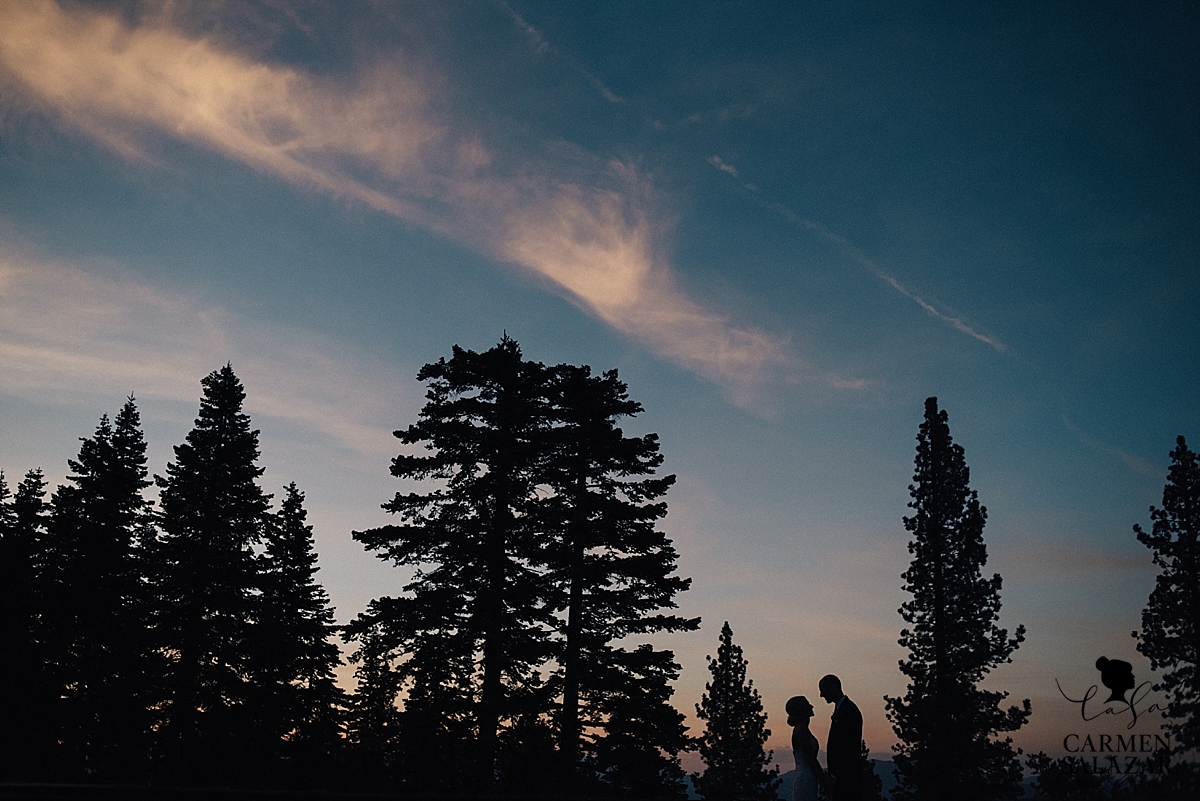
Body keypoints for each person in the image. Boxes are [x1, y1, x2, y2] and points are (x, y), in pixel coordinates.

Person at [819, 674, 864, 801]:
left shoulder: (849, 710)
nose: (821, 695)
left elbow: (848, 747)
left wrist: (836, 776)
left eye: (823, 689)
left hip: (847, 779)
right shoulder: (842, 709)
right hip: (842, 778)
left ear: (833, 687)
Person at [786, 695, 825, 801]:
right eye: (808, 704)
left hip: (807, 777)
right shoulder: (801, 730)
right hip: (805, 778)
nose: (811, 706)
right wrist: (824, 780)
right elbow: (810, 758)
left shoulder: (802, 729)